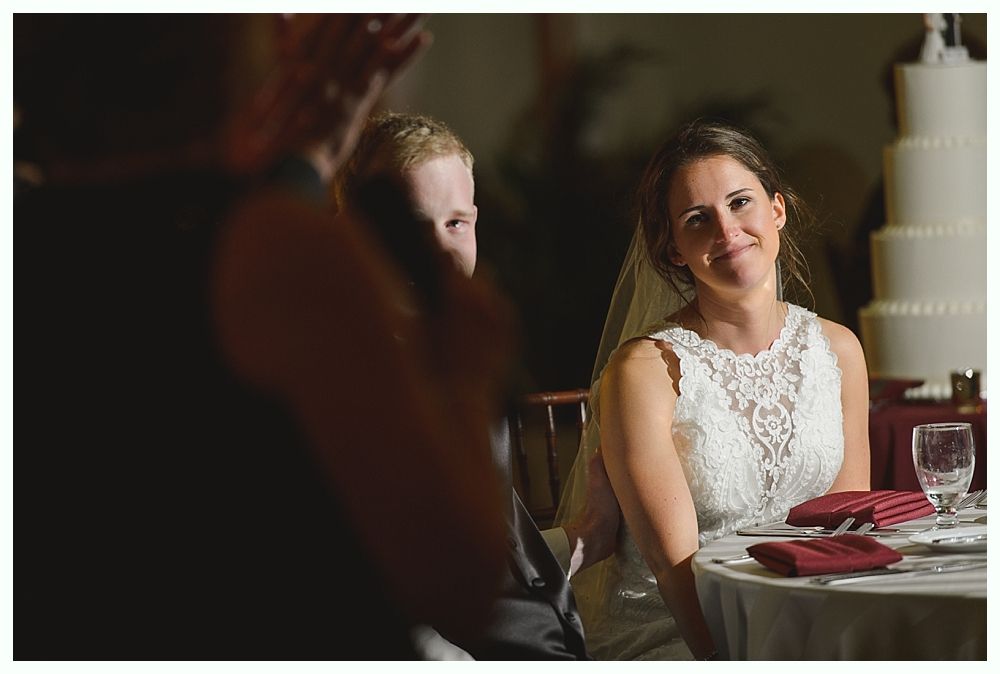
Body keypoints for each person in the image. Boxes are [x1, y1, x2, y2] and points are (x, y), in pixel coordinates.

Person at [15, 14, 512, 658]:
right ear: (213, 48)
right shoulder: (276, 252)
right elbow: (458, 583)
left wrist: (308, 159)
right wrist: (464, 370)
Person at [556, 119, 871, 660]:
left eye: (741, 202)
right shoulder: (644, 372)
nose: (726, 231)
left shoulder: (839, 349)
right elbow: (675, 570)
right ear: (674, 249)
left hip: (808, 623)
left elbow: (845, 524)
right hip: (683, 632)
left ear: (777, 209)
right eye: (697, 219)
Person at [333, 111, 622, 659]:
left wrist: (588, 538)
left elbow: (496, 560)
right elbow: (359, 596)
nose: (441, 250)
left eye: (457, 223)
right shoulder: (349, 382)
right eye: (416, 227)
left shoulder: (463, 356)